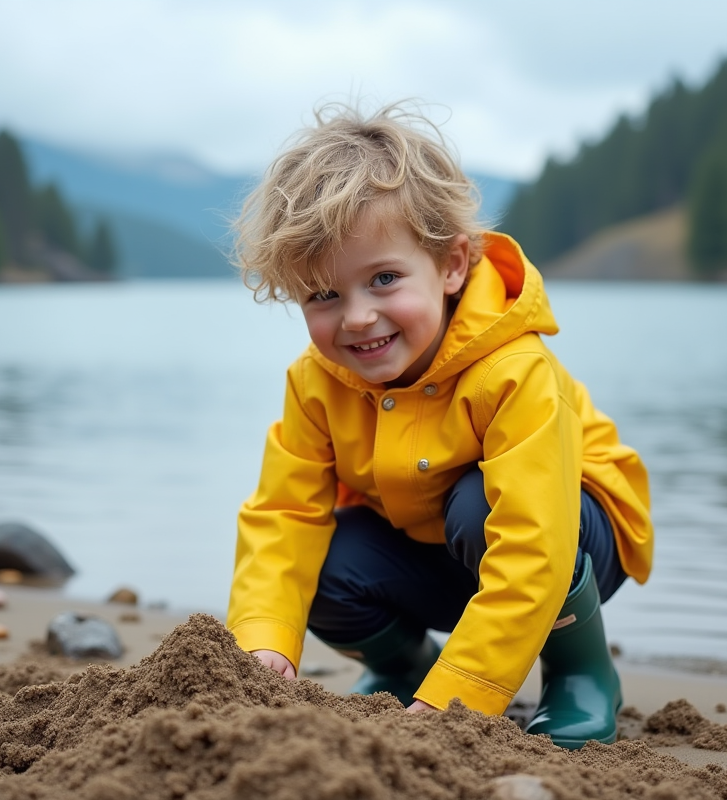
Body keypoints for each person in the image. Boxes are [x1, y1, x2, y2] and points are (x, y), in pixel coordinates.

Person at [225, 103, 653, 748]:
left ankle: (580, 673)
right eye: (324, 295)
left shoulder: (512, 372)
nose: (358, 318)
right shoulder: (316, 383)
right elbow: (283, 517)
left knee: (479, 504)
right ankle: (405, 668)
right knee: (323, 560)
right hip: (441, 550)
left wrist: (461, 701)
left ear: (452, 265)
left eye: (385, 279)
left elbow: (535, 542)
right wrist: (263, 647)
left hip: (576, 541)